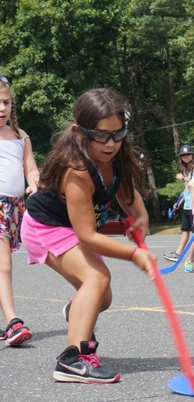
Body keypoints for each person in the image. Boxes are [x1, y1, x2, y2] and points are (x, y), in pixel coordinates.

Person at [21, 88, 155, 383]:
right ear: (79, 132)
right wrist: (135, 254)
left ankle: (76, 309)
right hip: (44, 226)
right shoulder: (78, 170)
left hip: (69, 227)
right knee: (97, 278)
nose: (111, 144)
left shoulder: (115, 158)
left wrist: (140, 217)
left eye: (118, 134)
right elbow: (86, 236)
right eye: (102, 135)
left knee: (101, 298)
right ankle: (73, 359)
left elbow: (125, 193)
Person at [0, 75, 39, 346]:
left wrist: (35, 184)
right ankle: (13, 322)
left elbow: (31, 168)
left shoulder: (19, 135)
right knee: (4, 265)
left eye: (6, 102)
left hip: (15, 208)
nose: (2, 108)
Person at [162, 145, 194, 263]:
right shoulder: (184, 171)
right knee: (185, 230)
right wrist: (179, 202)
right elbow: (187, 189)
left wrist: (182, 179)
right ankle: (178, 254)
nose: (186, 157)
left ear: (192, 155)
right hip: (187, 205)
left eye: (188, 154)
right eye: (183, 155)